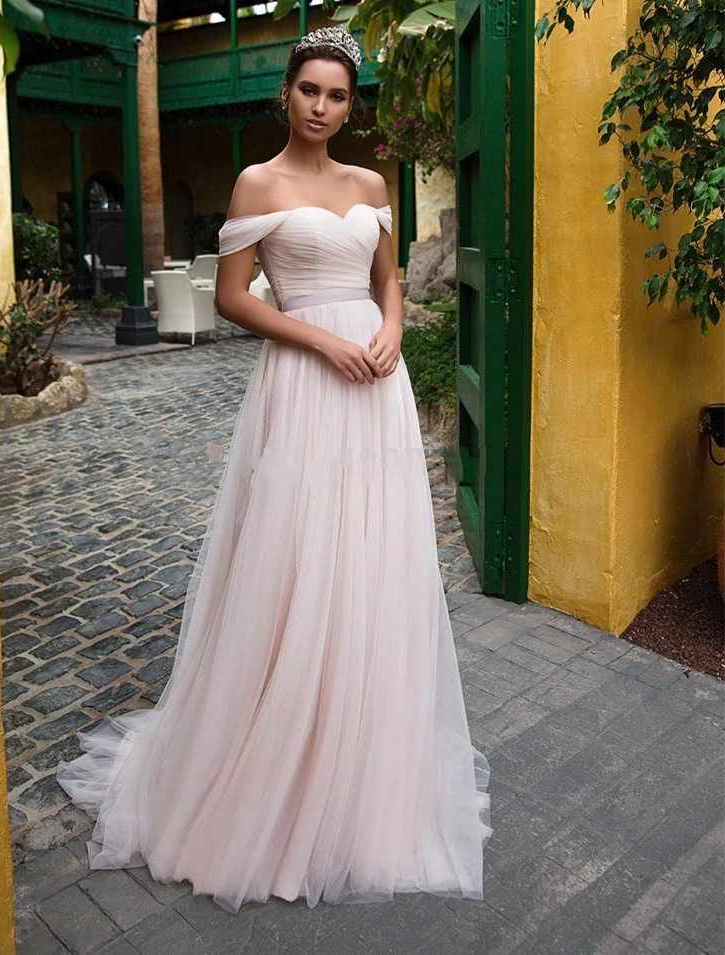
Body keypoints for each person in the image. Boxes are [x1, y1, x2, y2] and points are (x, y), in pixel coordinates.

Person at [57, 26, 492, 914]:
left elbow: (390, 278)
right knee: (297, 553)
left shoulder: (370, 185)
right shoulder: (258, 182)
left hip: (376, 381)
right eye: (310, 92)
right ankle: (280, 752)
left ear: (349, 102)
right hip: (302, 378)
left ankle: (361, 755)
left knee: (371, 556)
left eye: (338, 95)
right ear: (285, 94)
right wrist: (326, 342)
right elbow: (229, 297)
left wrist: (392, 332)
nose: (324, 108)